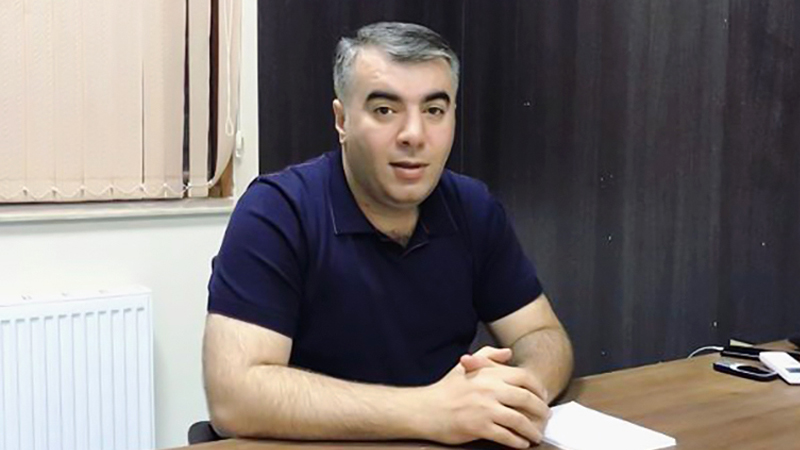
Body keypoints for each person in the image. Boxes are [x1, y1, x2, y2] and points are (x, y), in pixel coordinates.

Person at [203, 22, 573, 449]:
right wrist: (428, 411)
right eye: (385, 110)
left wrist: (519, 391)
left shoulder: (473, 207)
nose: (414, 135)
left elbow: (542, 335)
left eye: (434, 110)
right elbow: (234, 397)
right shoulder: (277, 211)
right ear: (341, 120)